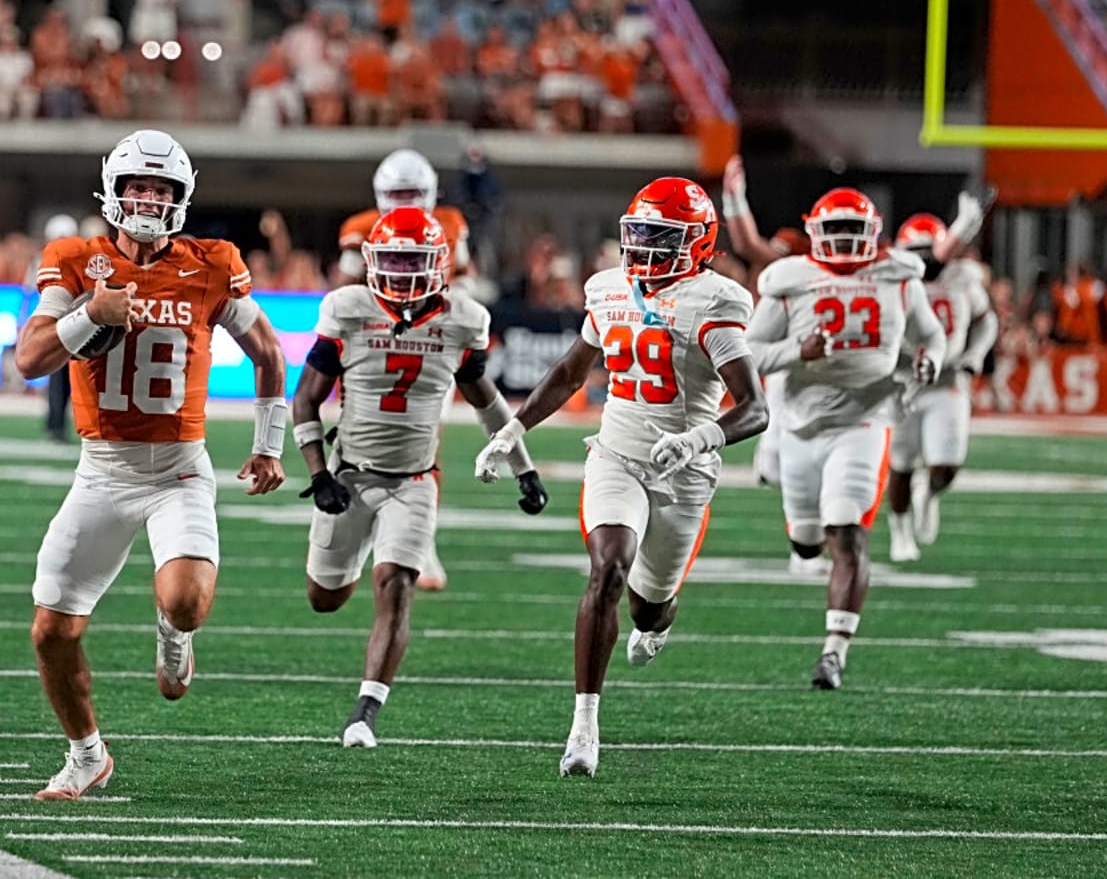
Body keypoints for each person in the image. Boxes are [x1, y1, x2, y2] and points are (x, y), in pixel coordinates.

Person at [14, 129, 289, 800]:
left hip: (178, 469)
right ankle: (87, 755)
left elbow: (268, 352)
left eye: (161, 189)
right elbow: (30, 359)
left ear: (181, 198)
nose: (148, 200)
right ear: (113, 191)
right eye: (138, 186)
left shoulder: (211, 263)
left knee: (187, 601)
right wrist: (89, 314)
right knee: (51, 630)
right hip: (102, 469)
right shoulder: (75, 261)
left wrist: (269, 443)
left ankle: (172, 631)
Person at [475, 177, 768, 777]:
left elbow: (754, 408)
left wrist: (697, 438)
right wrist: (512, 430)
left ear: (698, 243)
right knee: (608, 567)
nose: (645, 248)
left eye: (662, 237)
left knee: (648, 608)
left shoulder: (714, 302)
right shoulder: (609, 288)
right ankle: (584, 726)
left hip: (684, 474)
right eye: (641, 234)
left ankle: (658, 621)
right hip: (616, 455)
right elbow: (570, 372)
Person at [292, 206, 546, 748]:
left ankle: (365, 713)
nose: (403, 271)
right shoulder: (348, 310)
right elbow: (307, 398)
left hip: (414, 481)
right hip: (350, 476)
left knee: (397, 584)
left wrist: (524, 468)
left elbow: (486, 402)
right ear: (372, 260)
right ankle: (363, 546)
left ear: (439, 264)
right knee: (324, 598)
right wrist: (319, 474)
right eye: (393, 259)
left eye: (414, 261)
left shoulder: (462, 319)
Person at [744, 188, 946, 690]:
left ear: (872, 234)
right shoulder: (789, 280)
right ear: (815, 232)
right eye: (833, 229)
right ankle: (807, 550)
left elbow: (931, 334)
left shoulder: (899, 276)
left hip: (864, 418)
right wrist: (798, 350)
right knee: (807, 540)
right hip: (800, 423)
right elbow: (748, 352)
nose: (842, 239)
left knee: (847, 531)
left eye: (852, 230)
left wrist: (931, 359)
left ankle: (834, 651)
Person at [333, 148, 473, 592]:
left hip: (429, 344)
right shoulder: (361, 228)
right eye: (397, 194)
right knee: (362, 441)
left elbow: (464, 280)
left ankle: (419, 541)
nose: (405, 202)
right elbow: (344, 294)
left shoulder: (450, 224)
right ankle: (362, 529)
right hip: (377, 347)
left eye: (412, 193)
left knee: (426, 445)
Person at [883, 193, 998, 563]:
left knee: (947, 466)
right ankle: (900, 531)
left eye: (927, 250)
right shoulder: (893, 282)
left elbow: (986, 322)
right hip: (904, 381)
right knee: (901, 464)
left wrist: (973, 356)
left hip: (947, 379)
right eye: (914, 251)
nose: (923, 259)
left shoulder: (962, 279)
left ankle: (929, 494)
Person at [718, 154, 810, 490]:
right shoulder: (783, 268)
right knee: (773, 456)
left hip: (802, 359)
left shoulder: (799, 271)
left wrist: (734, 199)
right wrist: (733, 199)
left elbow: (750, 246)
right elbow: (751, 247)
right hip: (781, 355)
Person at [31, 213, 80, 443]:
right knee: (57, 378)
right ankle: (55, 424)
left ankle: (71, 425)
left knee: (77, 380)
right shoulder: (41, 261)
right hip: (56, 326)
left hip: (76, 325)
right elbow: (30, 294)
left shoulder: (83, 260)